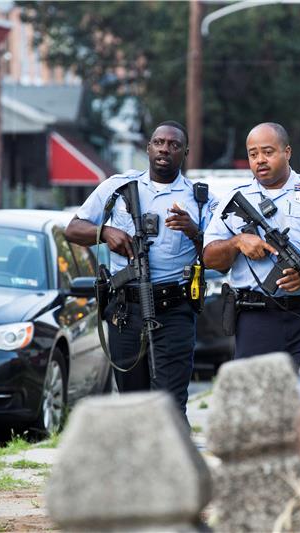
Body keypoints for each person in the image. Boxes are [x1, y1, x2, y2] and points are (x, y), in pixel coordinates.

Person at [66, 121, 216, 415]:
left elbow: (216, 256)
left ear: (185, 151)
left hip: (174, 311)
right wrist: (106, 234)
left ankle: (173, 460)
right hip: (126, 310)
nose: (165, 149)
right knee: (131, 403)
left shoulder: (201, 200)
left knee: (171, 405)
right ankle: (136, 460)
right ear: (148, 148)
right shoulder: (118, 187)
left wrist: (193, 231)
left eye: (174, 145)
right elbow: (73, 229)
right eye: (159, 142)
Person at [203, 122, 300, 367]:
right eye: (253, 154)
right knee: (256, 397)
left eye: (268, 152)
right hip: (255, 317)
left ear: (287, 152)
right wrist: (237, 242)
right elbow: (210, 258)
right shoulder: (233, 200)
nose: (260, 160)